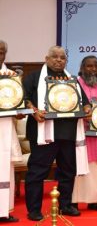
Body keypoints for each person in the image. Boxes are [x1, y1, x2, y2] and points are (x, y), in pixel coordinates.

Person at [23, 46, 91, 221]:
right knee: (37, 172)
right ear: (47, 58)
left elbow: (85, 102)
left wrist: (88, 108)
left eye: (62, 57)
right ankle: (34, 210)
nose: (59, 60)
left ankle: (66, 205)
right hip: (42, 131)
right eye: (55, 57)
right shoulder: (34, 77)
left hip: (67, 133)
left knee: (68, 171)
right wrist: (33, 110)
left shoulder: (72, 80)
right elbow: (24, 99)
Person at [71, 56, 97, 211]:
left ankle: (94, 200)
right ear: (82, 68)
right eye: (89, 66)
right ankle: (73, 200)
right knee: (78, 167)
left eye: (96, 66)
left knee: (96, 169)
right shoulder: (74, 84)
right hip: (80, 134)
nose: (93, 69)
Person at [0, 40, 22, 223]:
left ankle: (4, 210)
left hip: (6, 129)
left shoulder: (11, 77)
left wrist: (20, 112)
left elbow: (17, 104)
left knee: (6, 170)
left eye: (1, 52)